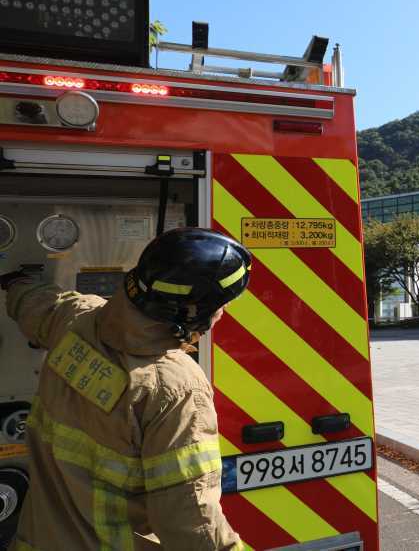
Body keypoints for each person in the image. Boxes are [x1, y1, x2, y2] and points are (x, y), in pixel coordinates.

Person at [0, 227, 251, 550]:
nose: (222, 313)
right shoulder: (173, 388)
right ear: (191, 311)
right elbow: (189, 518)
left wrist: (17, 283)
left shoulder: (76, 320)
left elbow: (36, 303)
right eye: (220, 305)